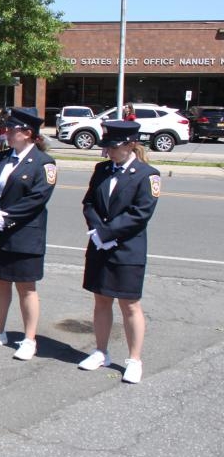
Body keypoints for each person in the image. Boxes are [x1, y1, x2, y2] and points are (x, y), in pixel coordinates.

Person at [78, 120, 160, 384]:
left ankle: (134, 359)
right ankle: (101, 351)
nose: (108, 152)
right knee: (101, 300)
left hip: (127, 249)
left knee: (129, 304)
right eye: (107, 147)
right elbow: (89, 202)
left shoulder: (148, 174)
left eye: (113, 147)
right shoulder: (101, 170)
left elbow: (140, 214)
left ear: (131, 144)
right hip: (100, 245)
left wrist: (108, 233)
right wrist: (96, 231)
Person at [0, 109, 57, 360]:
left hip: (24, 234)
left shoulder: (44, 163)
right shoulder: (0, 158)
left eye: (12, 130)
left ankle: (29, 339)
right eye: (7, 129)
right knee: (0, 283)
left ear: (28, 133)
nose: (6, 133)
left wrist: (6, 217)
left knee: (26, 288)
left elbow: (37, 198)